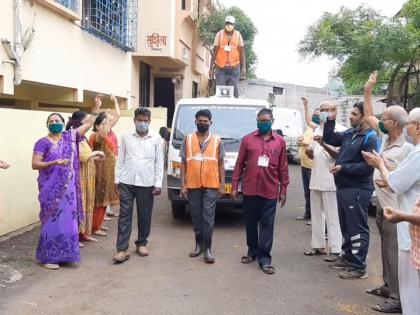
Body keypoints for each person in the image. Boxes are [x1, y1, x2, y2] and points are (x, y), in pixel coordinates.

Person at [31, 96, 102, 270]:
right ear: (47, 125)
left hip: (68, 191)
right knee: (52, 222)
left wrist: (96, 108)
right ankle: (48, 257)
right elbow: (35, 164)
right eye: (51, 121)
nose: (54, 122)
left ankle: (65, 255)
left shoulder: (69, 137)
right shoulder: (42, 142)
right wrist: (53, 163)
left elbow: (87, 125)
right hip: (51, 190)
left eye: (57, 120)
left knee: (68, 222)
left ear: (64, 123)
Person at [362, 71, 412, 313]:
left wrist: (381, 166)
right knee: (384, 249)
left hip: (397, 208)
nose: (380, 120)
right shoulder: (384, 138)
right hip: (381, 204)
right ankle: (387, 285)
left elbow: (400, 176)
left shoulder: (408, 148)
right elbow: (369, 114)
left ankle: (396, 298)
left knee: (394, 252)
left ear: (395, 123)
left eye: (385, 118)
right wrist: (368, 89)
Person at [323, 102, 378, 279]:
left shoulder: (370, 137)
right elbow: (330, 139)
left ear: (364, 117)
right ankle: (347, 258)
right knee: (346, 224)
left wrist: (343, 168)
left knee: (357, 227)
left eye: (354, 114)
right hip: (344, 187)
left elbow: (367, 167)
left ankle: (358, 266)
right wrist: (330, 120)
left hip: (358, 188)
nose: (351, 116)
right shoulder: (350, 133)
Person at [232, 108, 289, 275]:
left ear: (272, 121)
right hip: (250, 189)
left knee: (267, 225)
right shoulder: (248, 139)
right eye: (260, 121)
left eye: (265, 121)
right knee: (250, 223)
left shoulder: (280, 141)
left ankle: (265, 259)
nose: (262, 124)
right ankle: (252, 251)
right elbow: (239, 164)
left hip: (270, 190)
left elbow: (283, 167)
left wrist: (283, 189)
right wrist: (235, 185)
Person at [113, 108, 164, 263]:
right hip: (127, 182)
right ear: (134, 120)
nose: (142, 123)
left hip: (146, 183)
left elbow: (159, 163)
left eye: (145, 120)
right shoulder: (126, 137)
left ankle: (141, 243)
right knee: (124, 215)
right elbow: (120, 159)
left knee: (144, 214)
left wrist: (158, 183)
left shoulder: (156, 138)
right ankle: (122, 249)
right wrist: (117, 180)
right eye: (139, 120)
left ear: (149, 121)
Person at [180, 109, 225, 264]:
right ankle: (198, 244)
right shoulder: (188, 139)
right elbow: (183, 163)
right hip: (192, 184)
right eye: (200, 121)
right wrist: (182, 185)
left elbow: (221, 164)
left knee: (208, 217)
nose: (202, 123)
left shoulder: (217, 140)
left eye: (205, 121)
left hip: (211, 184)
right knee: (196, 216)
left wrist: (222, 185)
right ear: (195, 121)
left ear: (210, 123)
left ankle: (208, 249)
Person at [303, 101, 343, 263]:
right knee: (316, 214)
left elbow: (337, 155)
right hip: (316, 177)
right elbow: (315, 154)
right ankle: (318, 245)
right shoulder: (317, 129)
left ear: (335, 111)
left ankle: (335, 249)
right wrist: (310, 152)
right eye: (322, 110)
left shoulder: (341, 131)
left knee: (332, 216)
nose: (325, 112)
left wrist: (323, 143)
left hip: (331, 180)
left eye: (328, 110)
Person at [66, 111, 105, 245]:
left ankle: (84, 233)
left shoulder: (83, 138)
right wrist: (96, 153)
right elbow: (82, 157)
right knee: (80, 205)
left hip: (88, 175)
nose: (90, 123)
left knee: (87, 204)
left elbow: (87, 155)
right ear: (80, 123)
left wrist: (94, 157)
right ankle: (76, 235)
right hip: (80, 176)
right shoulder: (73, 138)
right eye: (87, 121)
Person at [89, 99, 120, 238]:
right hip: (99, 173)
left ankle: (99, 225)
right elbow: (101, 133)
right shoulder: (96, 136)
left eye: (107, 123)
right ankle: (95, 227)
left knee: (104, 201)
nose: (108, 125)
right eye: (104, 123)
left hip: (107, 173)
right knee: (99, 200)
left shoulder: (105, 135)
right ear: (96, 125)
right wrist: (97, 109)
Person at [209, 15, 246, 98]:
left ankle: (236, 105)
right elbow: (214, 52)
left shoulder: (238, 35)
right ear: (224, 24)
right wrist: (211, 68)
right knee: (220, 91)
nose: (228, 25)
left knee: (235, 90)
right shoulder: (219, 34)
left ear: (234, 25)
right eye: (227, 23)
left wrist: (244, 67)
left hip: (234, 67)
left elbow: (242, 52)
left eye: (230, 24)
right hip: (221, 67)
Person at [296, 98, 317, 223]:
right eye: (314, 114)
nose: (314, 117)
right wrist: (300, 139)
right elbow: (307, 120)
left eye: (317, 115)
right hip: (304, 164)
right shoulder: (310, 128)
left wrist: (303, 142)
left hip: (312, 166)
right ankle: (308, 213)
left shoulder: (319, 129)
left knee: (313, 192)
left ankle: (315, 217)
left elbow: (312, 144)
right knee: (306, 191)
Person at [105, 95, 121, 218]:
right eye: (108, 118)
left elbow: (117, 115)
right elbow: (118, 115)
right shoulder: (105, 130)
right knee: (107, 184)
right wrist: (115, 101)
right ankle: (105, 210)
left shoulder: (109, 130)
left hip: (113, 160)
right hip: (107, 161)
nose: (111, 119)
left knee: (111, 184)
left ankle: (108, 208)